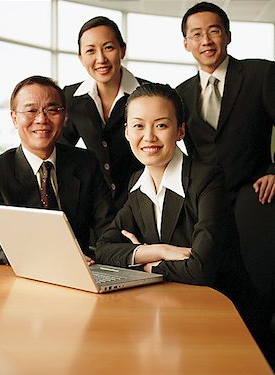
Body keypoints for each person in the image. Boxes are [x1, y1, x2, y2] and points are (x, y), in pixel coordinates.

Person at [96, 83, 252, 311]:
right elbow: (103, 249)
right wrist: (160, 251)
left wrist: (145, 266)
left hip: (221, 310)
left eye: (161, 125)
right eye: (138, 126)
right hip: (167, 305)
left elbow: (200, 270)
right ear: (127, 131)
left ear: (180, 130)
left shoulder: (207, 179)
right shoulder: (138, 183)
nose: (148, 136)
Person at [0, 75, 115, 265]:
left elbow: (107, 228)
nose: (41, 119)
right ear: (14, 118)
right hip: (22, 279)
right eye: (31, 110)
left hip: (84, 274)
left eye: (52, 110)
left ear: (64, 116)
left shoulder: (86, 163)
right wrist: (49, 257)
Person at [176, 1, 275, 206]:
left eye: (214, 31)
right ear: (186, 44)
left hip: (258, 195)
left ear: (228, 36)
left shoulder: (261, 74)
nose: (206, 41)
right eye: (196, 34)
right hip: (206, 201)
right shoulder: (180, 94)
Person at [59, 16, 149, 210]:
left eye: (108, 47)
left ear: (122, 50)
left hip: (144, 202)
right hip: (94, 206)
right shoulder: (71, 97)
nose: (100, 59)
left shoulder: (150, 94)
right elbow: (60, 148)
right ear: (81, 57)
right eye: (90, 51)